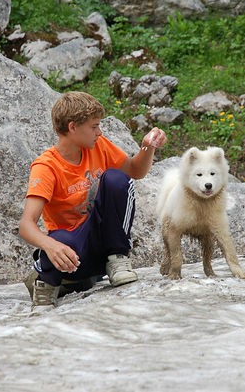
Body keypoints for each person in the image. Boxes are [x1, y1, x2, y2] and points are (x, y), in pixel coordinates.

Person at [19, 91, 167, 307]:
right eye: (94, 126)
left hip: (105, 245)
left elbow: (135, 170)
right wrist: (50, 246)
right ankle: (47, 283)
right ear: (72, 127)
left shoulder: (99, 145)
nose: (99, 132)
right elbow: (26, 225)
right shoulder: (46, 166)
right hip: (72, 255)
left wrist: (148, 146)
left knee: (117, 178)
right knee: (59, 239)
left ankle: (118, 259)